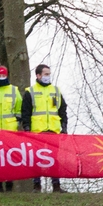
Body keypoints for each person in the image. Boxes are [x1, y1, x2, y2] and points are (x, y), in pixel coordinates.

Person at [19, 63, 67, 193]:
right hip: (37, 130)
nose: (48, 77)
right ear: (38, 75)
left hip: (53, 129)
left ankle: (56, 185)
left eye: (49, 74)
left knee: (55, 158)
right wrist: (27, 127)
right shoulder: (30, 91)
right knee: (36, 158)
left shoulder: (56, 90)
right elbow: (25, 112)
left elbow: (62, 110)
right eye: (45, 74)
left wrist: (64, 126)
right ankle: (36, 186)